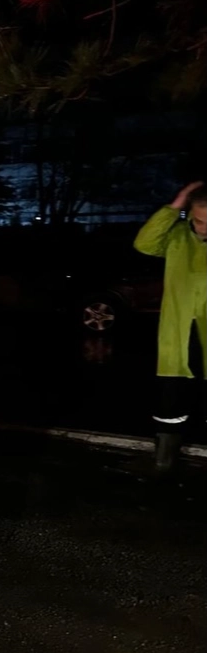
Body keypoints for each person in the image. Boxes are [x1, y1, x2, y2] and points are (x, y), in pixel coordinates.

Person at [132, 180, 207, 474]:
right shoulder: (176, 237)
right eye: (199, 221)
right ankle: (164, 462)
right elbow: (144, 243)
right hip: (177, 334)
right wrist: (175, 205)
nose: (204, 229)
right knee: (170, 398)